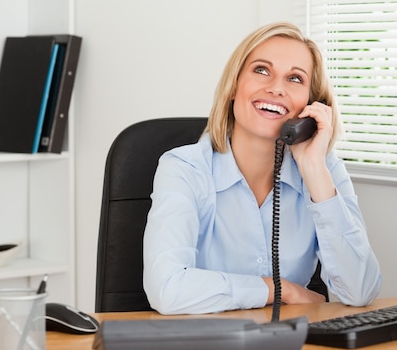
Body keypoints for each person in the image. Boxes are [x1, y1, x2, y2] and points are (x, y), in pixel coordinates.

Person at [143, 22, 382, 315]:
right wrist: (281, 290)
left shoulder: (324, 170)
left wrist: (314, 169)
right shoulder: (183, 169)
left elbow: (361, 291)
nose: (276, 88)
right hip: (204, 346)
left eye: (295, 78)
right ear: (233, 86)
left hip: (293, 348)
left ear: (310, 104)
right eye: (261, 70)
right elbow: (168, 290)